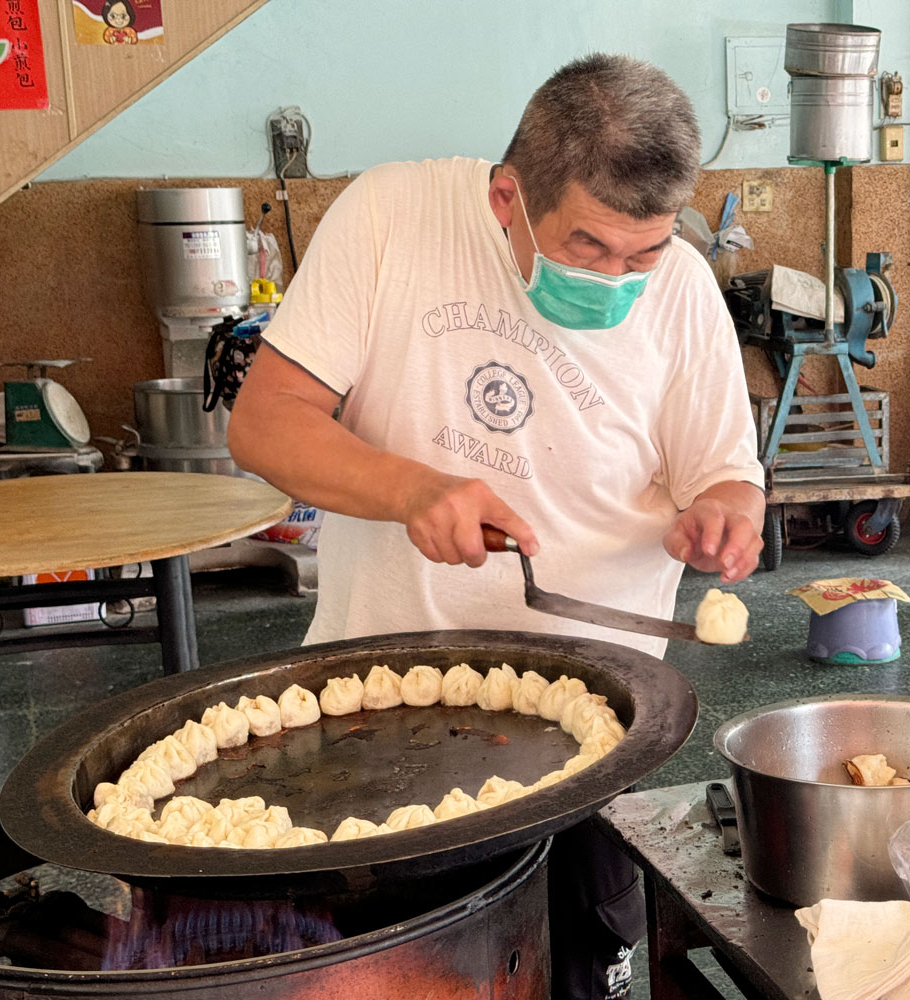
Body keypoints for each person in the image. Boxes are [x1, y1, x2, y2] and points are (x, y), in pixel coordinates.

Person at [228, 54, 765, 999]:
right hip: (377, 718)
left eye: (643, 252)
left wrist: (725, 513)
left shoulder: (678, 287)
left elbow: (725, 473)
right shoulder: (392, 218)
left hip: (597, 728)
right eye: (590, 248)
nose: (618, 279)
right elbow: (265, 422)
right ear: (509, 197)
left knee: (575, 967)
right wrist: (408, 490)